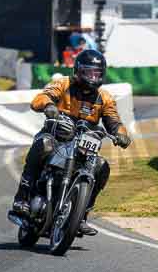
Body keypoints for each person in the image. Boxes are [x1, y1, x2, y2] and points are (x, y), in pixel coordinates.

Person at [10, 49, 131, 236]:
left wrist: (122, 135)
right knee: (43, 145)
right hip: (55, 138)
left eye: (97, 73)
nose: (93, 77)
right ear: (78, 71)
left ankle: (81, 216)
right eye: (89, 72)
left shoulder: (105, 97)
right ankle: (22, 199)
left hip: (83, 147)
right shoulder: (63, 83)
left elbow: (114, 121)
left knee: (101, 166)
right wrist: (49, 105)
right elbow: (41, 98)